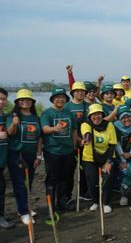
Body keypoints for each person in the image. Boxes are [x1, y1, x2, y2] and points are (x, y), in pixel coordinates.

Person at [6, 89, 42, 225]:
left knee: (29, 183)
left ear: (32, 102)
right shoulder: (14, 116)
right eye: (22, 100)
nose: (25, 102)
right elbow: (10, 133)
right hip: (16, 155)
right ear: (17, 102)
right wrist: (14, 123)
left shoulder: (36, 118)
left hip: (31, 155)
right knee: (20, 183)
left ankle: (24, 207)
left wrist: (39, 156)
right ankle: (24, 212)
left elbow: (39, 139)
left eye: (28, 100)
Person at [41, 88, 77, 215]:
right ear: (52, 99)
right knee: (52, 178)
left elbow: (74, 131)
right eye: (57, 97)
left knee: (66, 178)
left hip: (68, 151)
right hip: (52, 151)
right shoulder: (47, 113)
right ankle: (51, 205)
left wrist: (74, 146)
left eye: (63, 97)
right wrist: (54, 129)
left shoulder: (69, 113)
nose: (60, 99)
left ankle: (63, 201)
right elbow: (44, 129)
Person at [81, 104, 117, 214]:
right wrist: (86, 139)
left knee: (107, 180)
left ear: (102, 115)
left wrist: (108, 162)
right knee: (92, 181)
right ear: (90, 116)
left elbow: (112, 145)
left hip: (107, 156)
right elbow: (87, 134)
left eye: (99, 114)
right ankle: (95, 201)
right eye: (94, 114)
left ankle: (106, 203)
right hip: (90, 157)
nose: (96, 116)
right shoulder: (85, 124)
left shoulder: (109, 125)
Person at [0, 88, 15, 229]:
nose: (1, 102)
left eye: (3, 99)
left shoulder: (5, 117)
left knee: (2, 187)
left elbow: (9, 134)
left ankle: (1, 215)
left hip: (2, 160)